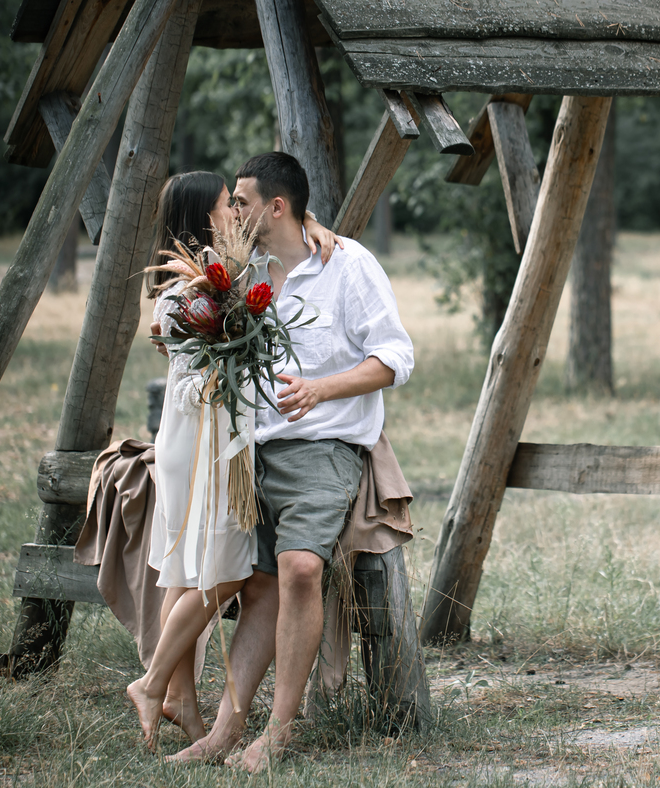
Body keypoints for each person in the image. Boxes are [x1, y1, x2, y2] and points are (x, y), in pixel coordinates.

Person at [166, 152, 413, 771]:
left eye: (242, 200)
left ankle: (280, 731)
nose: (233, 210)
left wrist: (320, 388)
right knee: (260, 584)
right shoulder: (236, 269)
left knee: (300, 567)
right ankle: (226, 729)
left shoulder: (347, 264)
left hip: (322, 445)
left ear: (276, 207)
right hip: (247, 450)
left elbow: (396, 357)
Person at [126, 171, 343, 751]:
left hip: (194, 439)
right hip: (205, 446)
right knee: (224, 571)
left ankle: (184, 707)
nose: (239, 213)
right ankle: (151, 685)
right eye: (230, 205)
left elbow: (280, 231)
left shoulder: (211, 276)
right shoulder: (200, 289)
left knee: (187, 570)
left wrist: (308, 221)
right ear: (208, 218)